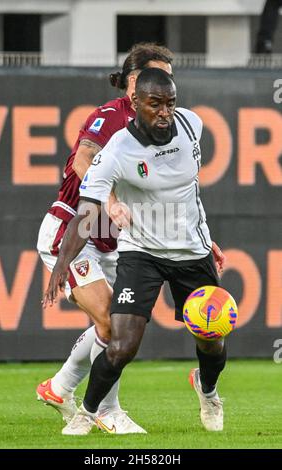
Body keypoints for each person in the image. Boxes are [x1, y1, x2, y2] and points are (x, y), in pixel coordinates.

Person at [43, 68, 227, 436]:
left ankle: (208, 392)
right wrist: (61, 264)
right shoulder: (116, 151)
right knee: (121, 343)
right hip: (141, 252)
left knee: (212, 343)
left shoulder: (193, 124)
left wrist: (204, 236)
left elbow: (188, 193)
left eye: (170, 103)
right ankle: (88, 411)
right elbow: (88, 210)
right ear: (136, 104)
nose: (165, 112)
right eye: (155, 104)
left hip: (192, 251)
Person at [36, 43, 177, 434]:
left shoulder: (163, 128)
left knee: (112, 328)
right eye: (157, 74)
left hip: (109, 241)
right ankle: (106, 411)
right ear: (134, 82)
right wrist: (110, 200)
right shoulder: (112, 116)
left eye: (169, 76)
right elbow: (84, 160)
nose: (166, 83)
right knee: (114, 326)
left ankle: (60, 387)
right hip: (73, 228)